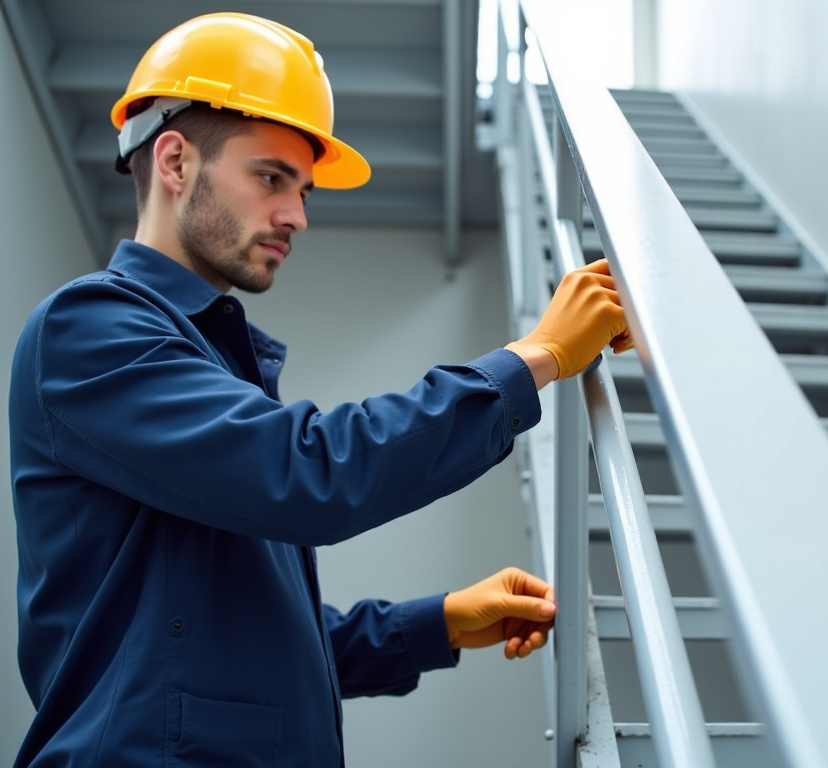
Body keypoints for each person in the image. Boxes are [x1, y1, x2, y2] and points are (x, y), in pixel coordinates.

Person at [8, 12, 631, 766]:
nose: (296, 215)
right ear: (174, 161)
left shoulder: (211, 365)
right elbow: (308, 472)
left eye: (302, 189)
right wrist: (531, 359)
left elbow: (238, 655)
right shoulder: (90, 329)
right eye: (271, 177)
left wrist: (436, 623)